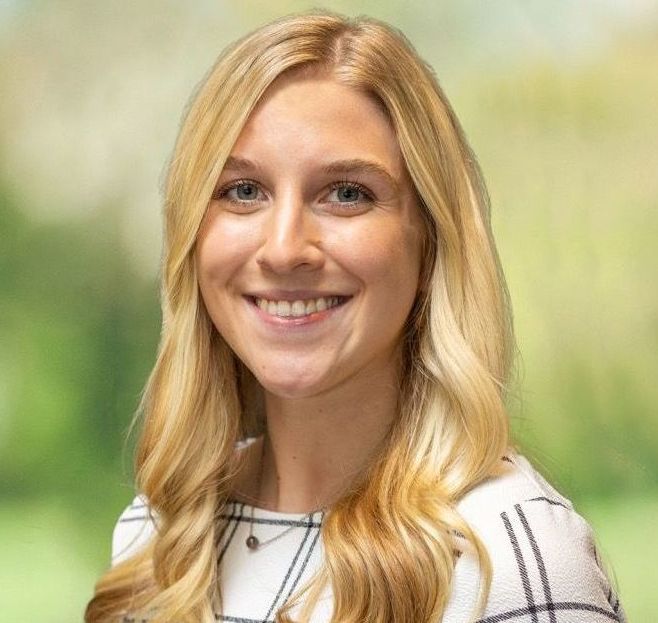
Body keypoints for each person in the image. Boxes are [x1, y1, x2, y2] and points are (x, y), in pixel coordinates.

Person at [85, 10, 627, 623]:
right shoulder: (159, 536)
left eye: (346, 193)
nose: (285, 247)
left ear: (429, 239)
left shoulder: (509, 558)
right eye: (243, 191)